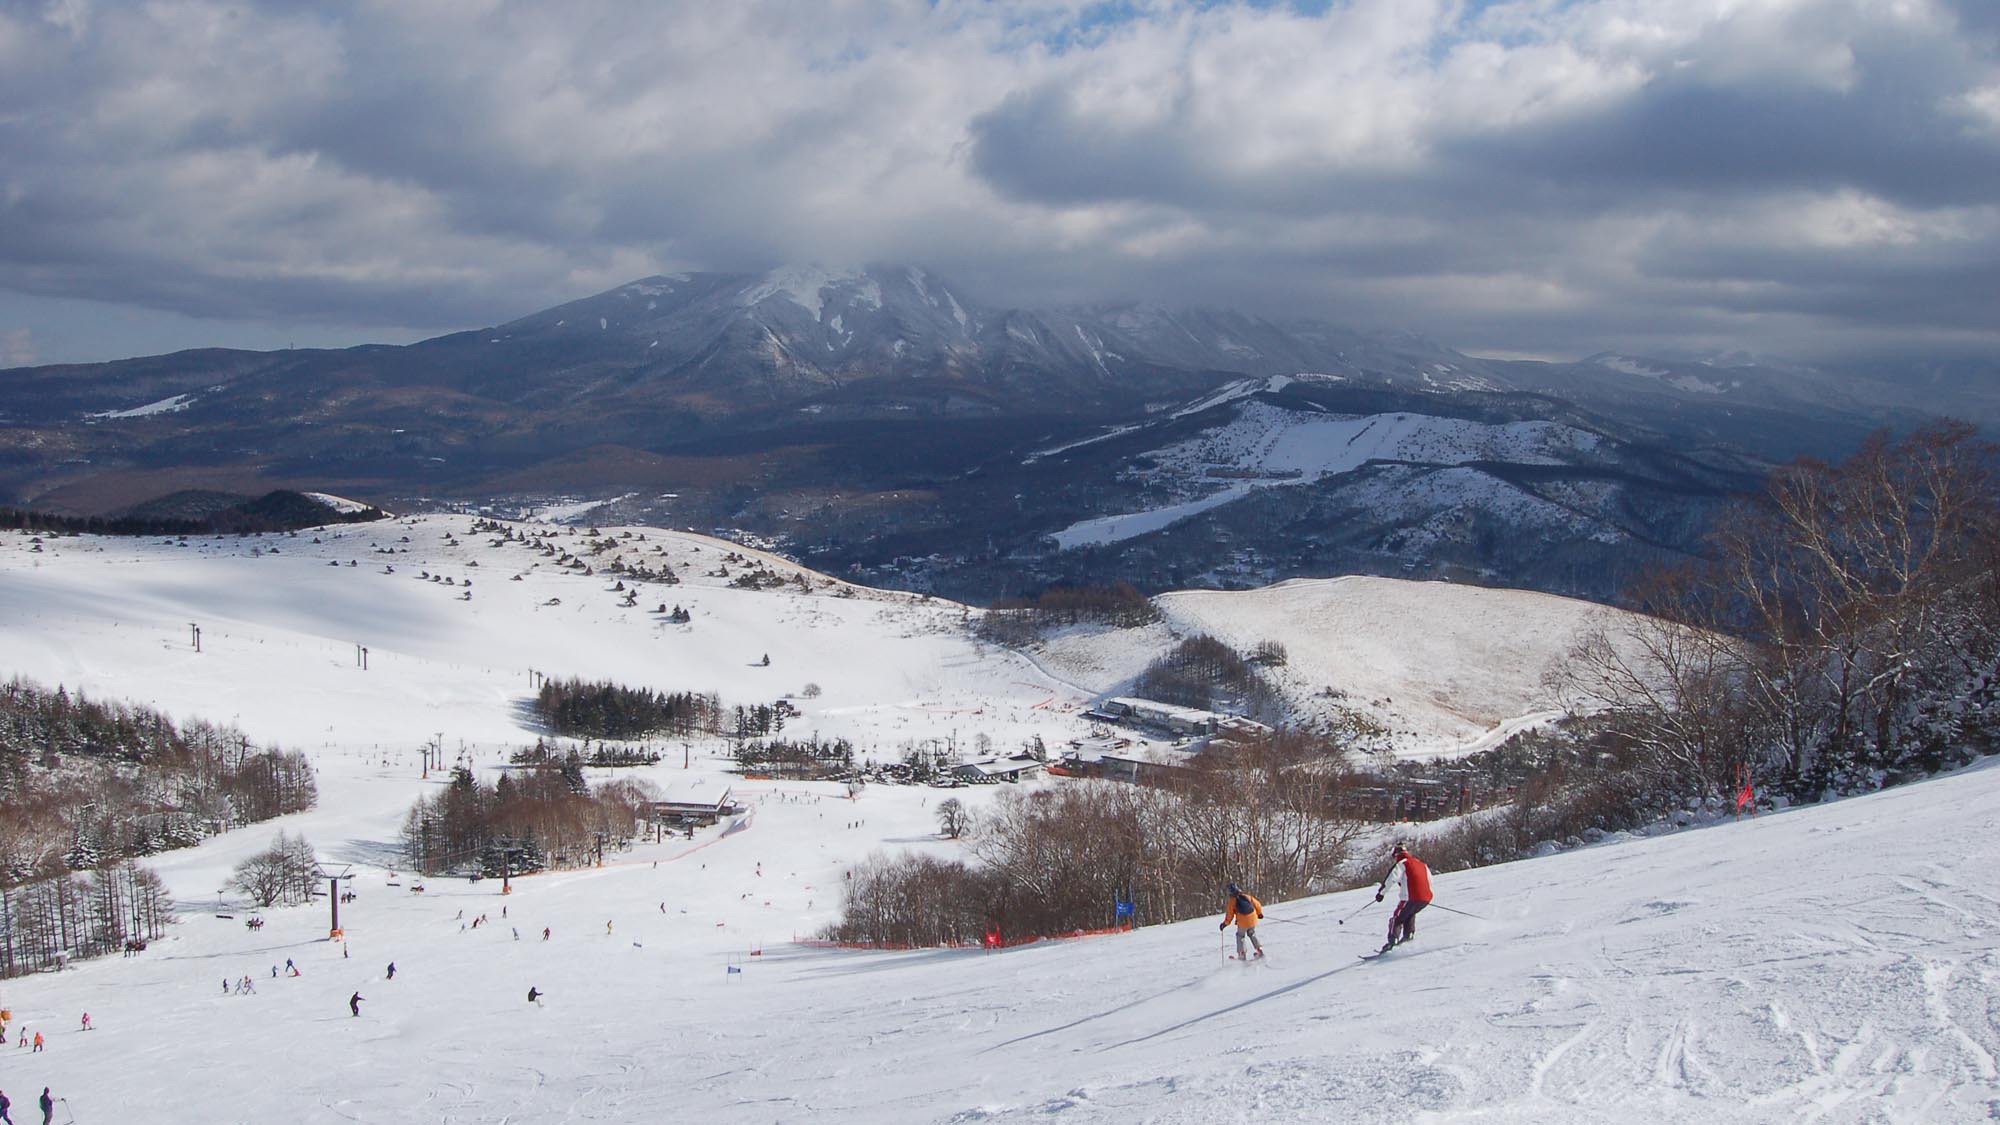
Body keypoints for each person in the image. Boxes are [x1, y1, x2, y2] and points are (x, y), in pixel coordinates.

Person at [1375, 843, 1433, 953]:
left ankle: (1392, 942)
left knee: (1396, 919)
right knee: (1409, 914)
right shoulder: (1421, 863)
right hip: (1426, 898)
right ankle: (1408, 937)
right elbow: (1430, 880)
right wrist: (1423, 895)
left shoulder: (1402, 863)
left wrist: (1381, 894)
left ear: (1396, 855)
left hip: (1410, 897)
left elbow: (1391, 879)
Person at [1219, 882, 1265, 960]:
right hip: (1253, 919)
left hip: (1243, 922)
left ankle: (1242, 954)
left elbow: (1229, 915)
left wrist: (1225, 924)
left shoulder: (1232, 901)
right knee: (1252, 933)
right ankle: (1259, 950)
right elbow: (1257, 904)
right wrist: (1260, 914)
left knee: (1240, 936)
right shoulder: (1247, 896)